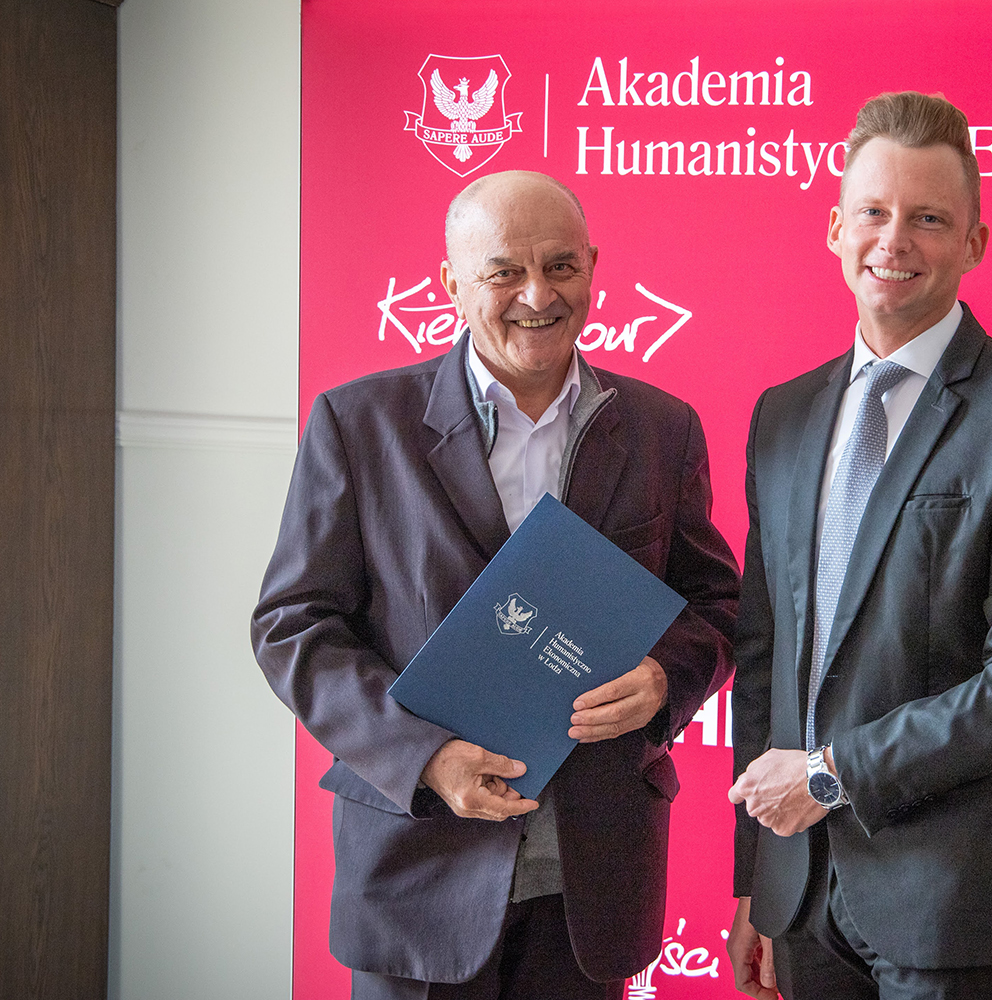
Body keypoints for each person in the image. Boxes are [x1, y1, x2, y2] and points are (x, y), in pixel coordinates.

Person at [252, 170, 739, 999]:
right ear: (452, 282)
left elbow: (717, 606)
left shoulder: (663, 429)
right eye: (504, 272)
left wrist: (667, 676)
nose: (537, 296)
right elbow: (293, 626)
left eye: (561, 267)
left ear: (593, 267)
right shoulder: (359, 424)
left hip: (589, 884)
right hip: (417, 873)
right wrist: (425, 758)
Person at [726, 92, 992, 1000]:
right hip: (801, 893)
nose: (893, 240)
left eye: (928, 219)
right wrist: (755, 881)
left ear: (974, 243)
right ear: (836, 229)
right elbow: (764, 661)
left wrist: (830, 776)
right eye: (873, 212)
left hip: (952, 899)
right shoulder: (783, 417)